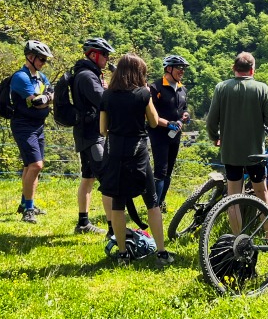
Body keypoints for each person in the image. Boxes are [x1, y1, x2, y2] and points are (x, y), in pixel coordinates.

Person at [99, 53, 174, 265]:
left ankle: (123, 254)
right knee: (151, 202)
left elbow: (102, 129)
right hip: (137, 152)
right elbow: (152, 122)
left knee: (118, 203)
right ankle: (161, 252)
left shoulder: (107, 95)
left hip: (114, 152)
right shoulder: (143, 94)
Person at [205, 51, 268, 203]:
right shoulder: (261, 88)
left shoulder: (221, 88)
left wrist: (215, 137)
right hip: (255, 153)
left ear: (234, 68)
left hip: (231, 152)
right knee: (262, 192)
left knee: (233, 197)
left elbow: (211, 121)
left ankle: (237, 228)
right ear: (252, 70)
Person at [71, 37, 115, 235]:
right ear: (93, 54)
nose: (107, 58)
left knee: (88, 177)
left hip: (86, 133)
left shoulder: (88, 74)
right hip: (91, 136)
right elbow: (103, 101)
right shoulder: (88, 76)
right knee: (107, 179)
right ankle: (113, 230)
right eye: (104, 54)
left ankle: (83, 224)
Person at [9, 40, 53, 223]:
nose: (43, 63)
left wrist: (47, 97)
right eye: (41, 59)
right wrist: (47, 98)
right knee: (36, 165)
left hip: (37, 125)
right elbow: (37, 102)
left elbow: (51, 92)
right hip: (23, 126)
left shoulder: (40, 77)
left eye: (45, 60)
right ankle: (28, 211)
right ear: (31, 57)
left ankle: (25, 203)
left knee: (30, 166)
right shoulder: (21, 77)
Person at [148, 55, 190, 212]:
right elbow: (150, 115)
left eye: (183, 68)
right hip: (159, 134)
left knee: (169, 170)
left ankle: (161, 201)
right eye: (179, 67)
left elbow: (184, 108)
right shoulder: (156, 88)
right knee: (160, 170)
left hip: (175, 135)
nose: (182, 71)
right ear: (168, 68)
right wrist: (168, 124)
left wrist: (185, 115)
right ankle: (154, 205)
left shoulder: (182, 88)